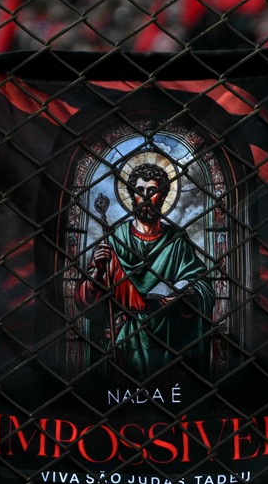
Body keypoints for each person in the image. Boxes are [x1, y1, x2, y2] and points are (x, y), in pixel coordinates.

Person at [76, 159, 214, 381]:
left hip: (168, 338)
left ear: (163, 194)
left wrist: (184, 296)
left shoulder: (176, 240)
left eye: (153, 190)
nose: (146, 196)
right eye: (140, 190)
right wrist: (98, 272)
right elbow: (85, 301)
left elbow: (202, 285)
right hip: (122, 338)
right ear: (132, 195)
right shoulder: (114, 238)